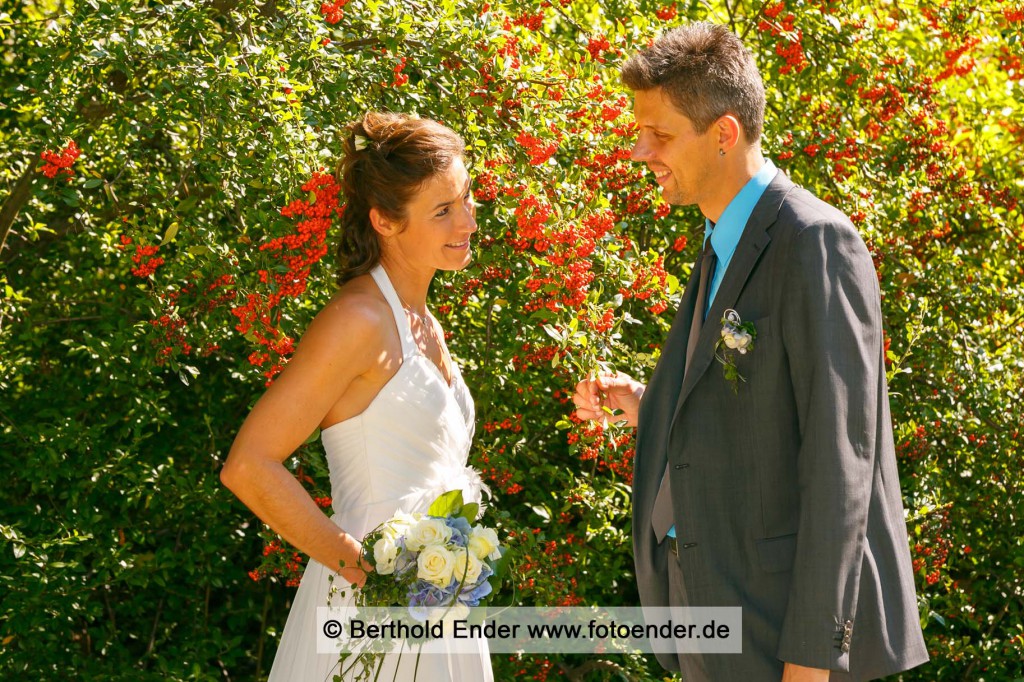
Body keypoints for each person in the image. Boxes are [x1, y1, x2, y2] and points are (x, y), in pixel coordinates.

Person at [572, 23, 928, 682]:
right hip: (713, 610)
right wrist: (646, 406)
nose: (639, 151)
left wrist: (810, 661)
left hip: (778, 632)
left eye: (660, 134)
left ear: (725, 133)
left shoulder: (814, 242)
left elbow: (840, 461)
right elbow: (759, 416)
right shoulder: (721, 239)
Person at [221, 112, 492, 681]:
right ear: (385, 222)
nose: (466, 220)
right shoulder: (357, 320)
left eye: (466, 199)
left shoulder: (428, 326)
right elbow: (249, 465)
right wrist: (364, 571)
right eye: (442, 210)